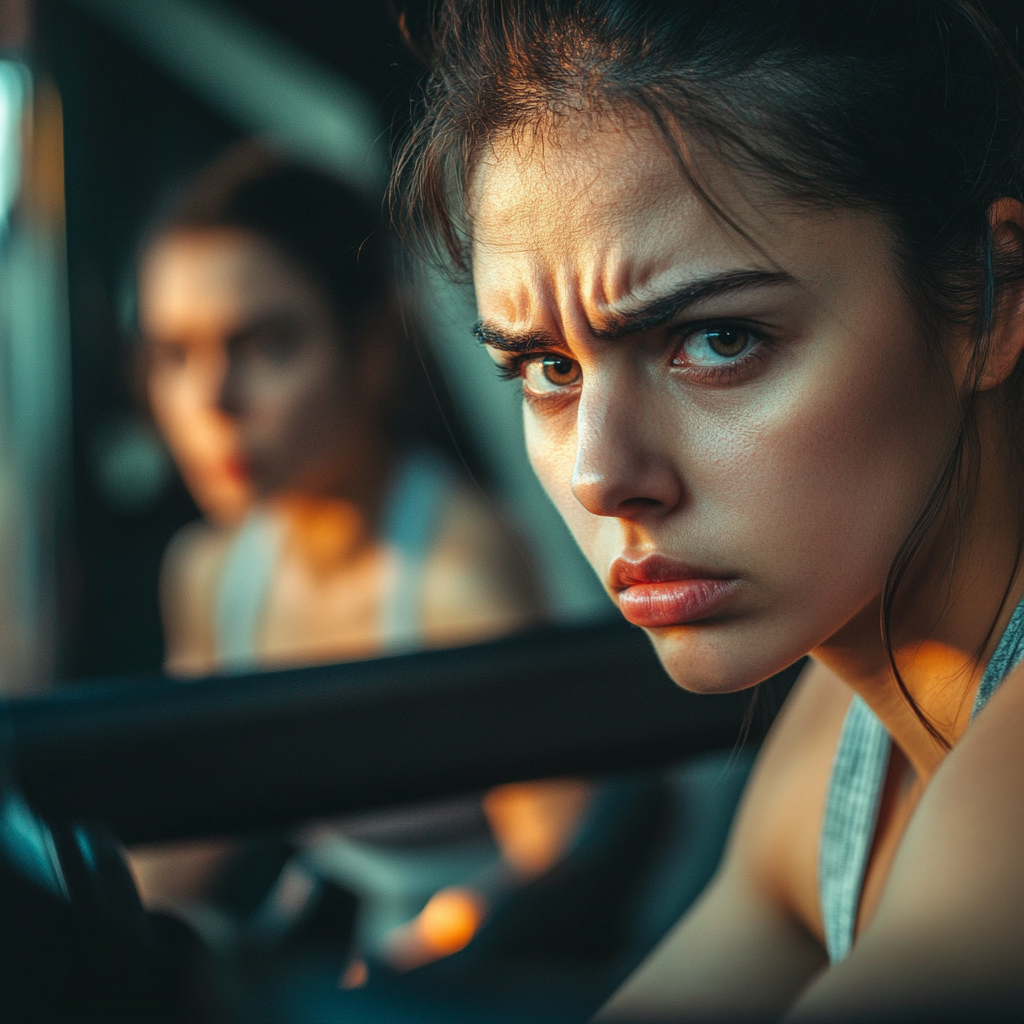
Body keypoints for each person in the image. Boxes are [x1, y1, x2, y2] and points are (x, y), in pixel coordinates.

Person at [394, 0, 1024, 1018]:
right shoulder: (856, 708)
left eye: (718, 340)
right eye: (547, 368)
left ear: (993, 298)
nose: (600, 475)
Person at [129, 146, 591, 970]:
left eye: (266, 344)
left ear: (371, 346)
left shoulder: (457, 579)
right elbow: (196, 834)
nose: (212, 403)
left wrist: (426, 953)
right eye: (174, 356)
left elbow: (564, 875)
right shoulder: (208, 574)